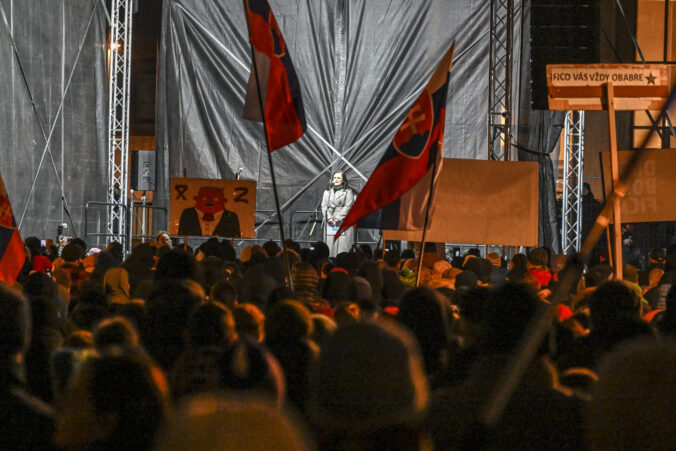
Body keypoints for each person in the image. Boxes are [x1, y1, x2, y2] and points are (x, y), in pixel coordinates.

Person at [321, 171, 355, 257]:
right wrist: (329, 218)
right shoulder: (327, 192)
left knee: (342, 246)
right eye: (335, 178)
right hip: (330, 221)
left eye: (338, 178)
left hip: (343, 220)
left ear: (343, 180)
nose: (336, 179)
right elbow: (324, 206)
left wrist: (337, 219)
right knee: (330, 244)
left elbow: (348, 206)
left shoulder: (348, 192)